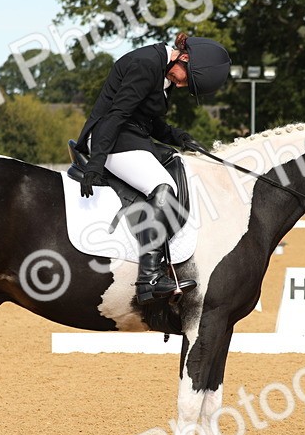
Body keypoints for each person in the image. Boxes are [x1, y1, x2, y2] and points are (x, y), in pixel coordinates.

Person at [73, 31, 230, 302]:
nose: (182, 86)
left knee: (176, 162)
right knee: (163, 188)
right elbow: (118, 114)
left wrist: (178, 136)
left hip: (130, 134)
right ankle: (149, 278)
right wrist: (96, 162)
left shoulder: (162, 71)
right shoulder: (146, 64)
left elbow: (149, 120)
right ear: (184, 57)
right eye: (186, 81)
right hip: (110, 136)